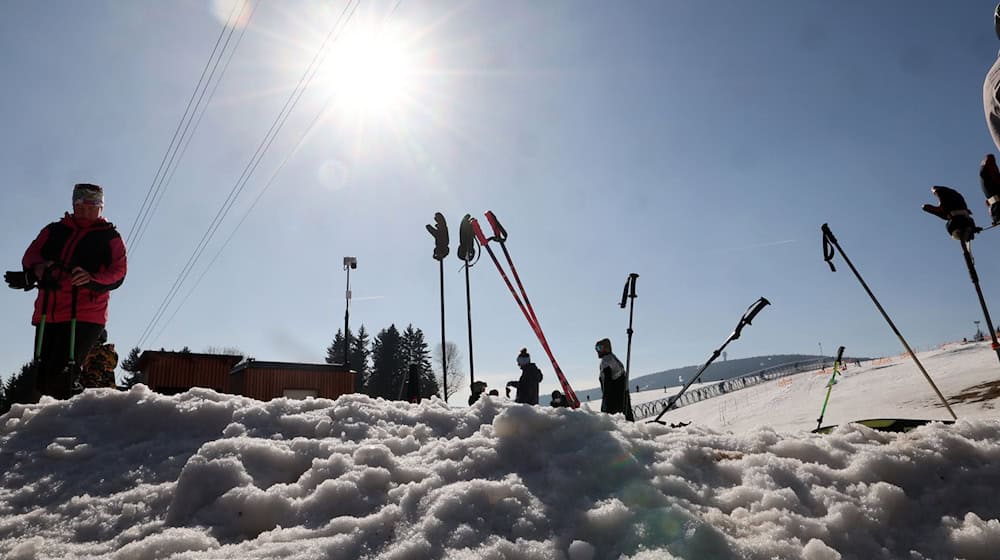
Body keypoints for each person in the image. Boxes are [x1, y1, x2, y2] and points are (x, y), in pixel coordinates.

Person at [4, 183, 127, 401]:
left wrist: (91, 279)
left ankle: (85, 416)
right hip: (47, 312)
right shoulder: (54, 230)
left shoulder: (109, 237)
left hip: (85, 314)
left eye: (92, 205)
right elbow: (31, 256)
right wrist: (38, 268)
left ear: (101, 207)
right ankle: (64, 422)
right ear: (73, 204)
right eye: (81, 205)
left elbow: (118, 273)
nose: (86, 210)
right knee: (42, 379)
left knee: (62, 379)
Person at [595, 338, 634, 421]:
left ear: (606, 348)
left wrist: (605, 405)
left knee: (617, 420)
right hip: (623, 394)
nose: (597, 351)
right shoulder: (613, 358)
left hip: (614, 399)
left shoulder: (606, 361)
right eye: (596, 348)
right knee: (627, 416)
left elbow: (607, 383)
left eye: (599, 348)